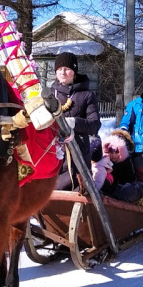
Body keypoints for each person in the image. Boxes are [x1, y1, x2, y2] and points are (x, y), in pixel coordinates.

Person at [50, 52, 101, 190]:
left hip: (78, 154)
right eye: (59, 69)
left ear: (74, 71)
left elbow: (95, 125)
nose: (63, 72)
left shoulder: (87, 95)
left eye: (67, 69)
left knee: (78, 192)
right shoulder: (49, 95)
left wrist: (75, 123)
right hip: (53, 154)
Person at [99, 130, 136, 197]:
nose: (113, 155)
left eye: (117, 152)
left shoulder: (127, 162)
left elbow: (131, 179)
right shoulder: (105, 160)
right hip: (109, 187)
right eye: (111, 152)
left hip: (123, 189)